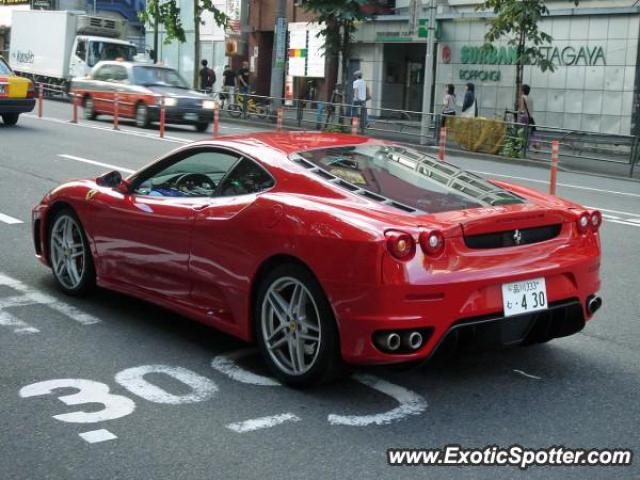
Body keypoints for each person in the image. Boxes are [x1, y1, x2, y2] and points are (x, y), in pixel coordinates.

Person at [519, 84, 540, 149]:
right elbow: (531, 109)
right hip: (530, 117)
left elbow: (522, 109)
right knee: (531, 132)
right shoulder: (530, 98)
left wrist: (518, 112)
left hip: (524, 117)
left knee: (522, 132)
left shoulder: (522, 97)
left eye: (521, 89)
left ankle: (524, 146)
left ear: (522, 91)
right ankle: (536, 143)